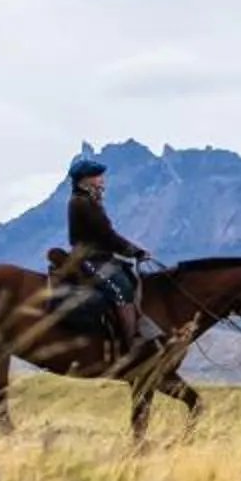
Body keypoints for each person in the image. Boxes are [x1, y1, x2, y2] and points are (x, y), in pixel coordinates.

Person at [65, 156, 167, 364]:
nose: (101, 180)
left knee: (131, 281)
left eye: (100, 176)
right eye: (96, 176)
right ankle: (130, 345)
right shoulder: (81, 203)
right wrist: (135, 252)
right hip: (89, 259)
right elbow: (107, 235)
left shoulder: (89, 201)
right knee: (122, 291)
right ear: (83, 180)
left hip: (101, 257)